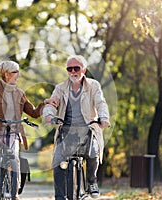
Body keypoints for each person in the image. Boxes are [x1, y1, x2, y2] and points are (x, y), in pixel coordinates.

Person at [0, 60, 54, 199]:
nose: (19, 75)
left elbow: (34, 112)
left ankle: (14, 191)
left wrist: (44, 104)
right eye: (15, 72)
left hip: (12, 132)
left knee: (15, 160)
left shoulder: (20, 93)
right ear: (6, 74)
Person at [43, 55, 110, 199]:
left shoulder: (93, 86)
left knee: (93, 153)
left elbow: (100, 103)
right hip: (66, 131)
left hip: (88, 129)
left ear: (84, 70)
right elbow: (51, 104)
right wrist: (48, 114)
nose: (73, 71)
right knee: (57, 161)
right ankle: (60, 197)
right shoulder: (60, 88)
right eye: (69, 68)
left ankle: (91, 181)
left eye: (76, 68)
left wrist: (104, 118)